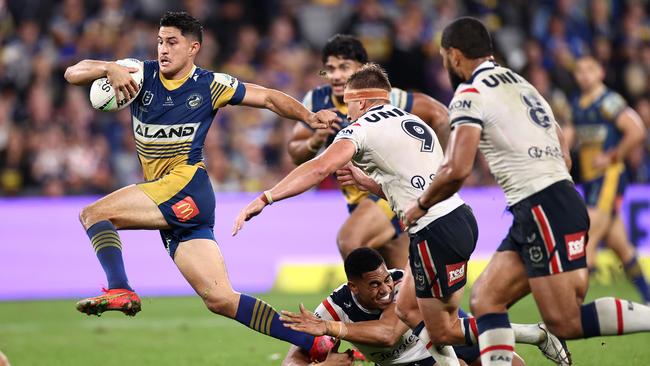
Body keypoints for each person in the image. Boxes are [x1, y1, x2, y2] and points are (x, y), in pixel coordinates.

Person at [233, 64, 566, 366]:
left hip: (433, 231)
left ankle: (535, 334)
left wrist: (267, 196)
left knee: (424, 320)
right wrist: (371, 184)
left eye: (348, 103)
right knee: (432, 321)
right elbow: (418, 188)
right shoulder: (411, 122)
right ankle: (532, 335)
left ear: (361, 101)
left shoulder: (361, 128)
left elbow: (320, 167)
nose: (347, 111)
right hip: (460, 220)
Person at [64, 11, 337, 361]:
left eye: (172, 42)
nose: (163, 49)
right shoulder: (139, 72)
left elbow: (268, 97)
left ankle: (120, 289)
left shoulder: (211, 85)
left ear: (193, 48)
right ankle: (315, 342)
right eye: (160, 41)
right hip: (174, 195)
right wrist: (109, 67)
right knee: (221, 299)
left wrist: (309, 117)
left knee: (94, 213)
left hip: (186, 186)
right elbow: (74, 72)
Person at [403, 17, 650, 366]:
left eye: (445, 57)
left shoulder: (470, 93)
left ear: (455, 56)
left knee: (565, 321)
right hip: (551, 200)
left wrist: (421, 203)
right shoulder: (523, 84)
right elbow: (564, 152)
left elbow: (457, 169)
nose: (445, 65)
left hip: (541, 206)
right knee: (487, 298)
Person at [288, 34, 450, 269]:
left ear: (362, 69)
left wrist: (438, 171)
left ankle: (354, 306)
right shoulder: (317, 100)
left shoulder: (383, 97)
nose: (336, 75)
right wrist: (316, 140)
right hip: (356, 199)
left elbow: (440, 115)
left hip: (388, 191)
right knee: (405, 285)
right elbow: (294, 152)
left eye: (344, 67)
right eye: (330, 68)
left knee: (350, 241)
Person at [282, 248, 576, 366]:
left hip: (445, 331)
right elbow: (291, 360)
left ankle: (539, 335)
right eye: (374, 285)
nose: (386, 290)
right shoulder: (334, 307)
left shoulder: (400, 284)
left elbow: (387, 333)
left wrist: (333, 330)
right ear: (353, 287)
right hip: (414, 361)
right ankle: (535, 334)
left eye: (386, 280)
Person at [568, 56, 650, 304]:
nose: (584, 75)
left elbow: (636, 130)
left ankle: (571, 309)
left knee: (587, 238)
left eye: (589, 69)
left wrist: (613, 156)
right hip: (591, 181)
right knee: (620, 246)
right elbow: (570, 135)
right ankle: (648, 298)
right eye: (579, 70)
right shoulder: (578, 104)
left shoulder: (609, 101)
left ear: (600, 72)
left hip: (609, 179)